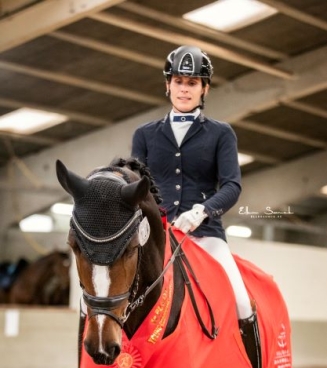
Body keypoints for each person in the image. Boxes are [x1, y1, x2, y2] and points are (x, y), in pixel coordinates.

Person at [131, 45, 261, 368]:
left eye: (192, 83)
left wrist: (202, 211)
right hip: (158, 239)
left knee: (242, 302)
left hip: (206, 237)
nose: (184, 89)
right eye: (178, 81)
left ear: (204, 88)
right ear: (167, 85)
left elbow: (232, 185)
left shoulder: (220, 134)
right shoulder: (145, 135)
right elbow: (134, 188)